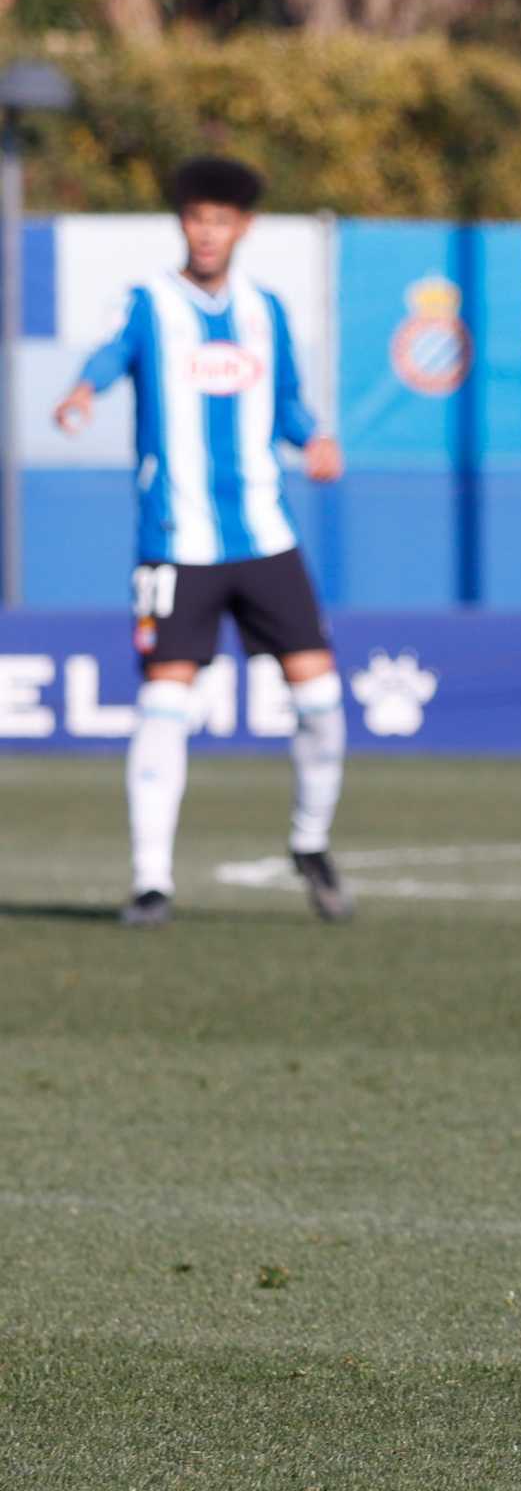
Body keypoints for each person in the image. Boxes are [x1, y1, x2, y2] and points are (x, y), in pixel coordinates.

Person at [54, 155, 354, 928]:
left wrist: (314, 439)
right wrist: (83, 391)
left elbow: (287, 402)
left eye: (222, 220)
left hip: (264, 539)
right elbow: (108, 356)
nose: (208, 233)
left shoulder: (265, 310)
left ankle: (309, 842)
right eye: (196, 218)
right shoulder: (150, 303)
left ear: (244, 227)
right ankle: (151, 881)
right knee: (164, 703)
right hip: (175, 542)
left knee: (321, 698)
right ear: (182, 224)